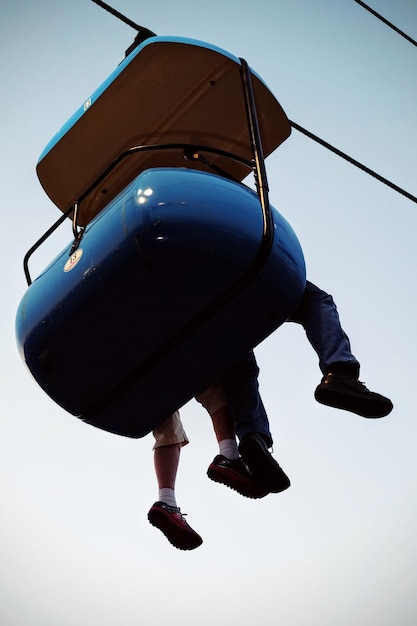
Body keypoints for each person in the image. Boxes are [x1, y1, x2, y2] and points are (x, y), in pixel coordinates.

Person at [147, 280, 393, 549]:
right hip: (210, 286)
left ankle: (172, 495)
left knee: (169, 401)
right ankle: (338, 373)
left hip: (154, 329)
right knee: (310, 303)